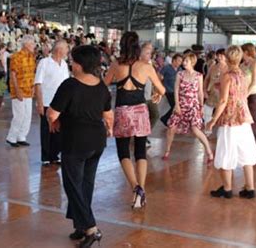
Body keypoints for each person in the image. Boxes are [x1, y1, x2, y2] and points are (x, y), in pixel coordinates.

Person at [47, 45, 114, 248]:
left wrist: (53, 122)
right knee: (86, 184)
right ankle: (80, 226)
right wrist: (109, 130)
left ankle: (91, 228)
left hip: (75, 142)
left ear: (80, 64)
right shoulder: (102, 87)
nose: (71, 64)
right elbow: (108, 115)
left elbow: (52, 113)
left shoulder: (70, 85)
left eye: (73, 60)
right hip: (97, 142)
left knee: (73, 185)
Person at [104, 32, 165, 209]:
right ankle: (142, 189)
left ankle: (135, 188)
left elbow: (104, 85)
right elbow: (161, 89)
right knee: (140, 152)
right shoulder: (146, 67)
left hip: (122, 112)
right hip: (140, 112)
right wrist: (156, 93)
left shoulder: (116, 65)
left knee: (123, 152)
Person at [206, 46, 256, 199]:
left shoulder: (227, 76)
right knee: (246, 152)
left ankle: (227, 188)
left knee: (226, 151)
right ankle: (250, 188)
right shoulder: (243, 74)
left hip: (230, 118)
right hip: (243, 117)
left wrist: (213, 119)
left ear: (227, 58)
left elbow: (223, 100)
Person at [162, 52, 214, 163]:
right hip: (181, 104)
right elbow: (176, 90)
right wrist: (177, 105)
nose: (183, 63)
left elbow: (200, 92)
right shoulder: (180, 74)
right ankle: (167, 151)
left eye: (186, 61)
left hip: (193, 105)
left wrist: (201, 106)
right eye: (183, 61)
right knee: (171, 128)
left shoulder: (199, 76)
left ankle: (209, 152)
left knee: (196, 130)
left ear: (192, 62)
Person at [35, 40, 70, 165]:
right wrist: (39, 103)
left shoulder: (64, 64)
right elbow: (38, 84)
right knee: (46, 130)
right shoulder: (44, 63)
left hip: (61, 103)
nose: (67, 50)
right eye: (66, 48)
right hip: (46, 102)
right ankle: (46, 157)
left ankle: (55, 155)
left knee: (59, 129)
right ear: (59, 50)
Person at [6, 35, 36, 147]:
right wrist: (17, 90)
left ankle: (21, 136)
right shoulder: (16, 56)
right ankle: (12, 137)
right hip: (19, 89)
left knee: (27, 115)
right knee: (19, 115)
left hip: (28, 89)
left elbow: (33, 73)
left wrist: (33, 87)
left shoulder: (31, 57)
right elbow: (13, 74)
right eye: (32, 44)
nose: (34, 46)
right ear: (26, 45)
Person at [241, 43, 256, 159]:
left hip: (253, 96)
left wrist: (245, 95)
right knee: (243, 122)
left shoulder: (255, 64)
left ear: (246, 52)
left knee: (252, 121)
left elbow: (254, 82)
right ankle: (248, 147)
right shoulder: (242, 65)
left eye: (241, 51)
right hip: (243, 96)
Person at [203, 49, 227, 129]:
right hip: (212, 92)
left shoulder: (228, 68)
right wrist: (204, 90)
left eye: (222, 55)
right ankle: (207, 127)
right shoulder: (213, 67)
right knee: (207, 110)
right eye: (218, 55)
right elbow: (206, 79)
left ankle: (221, 128)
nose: (219, 57)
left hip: (224, 93)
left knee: (223, 112)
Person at [159, 54, 183, 126]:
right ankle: (165, 119)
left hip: (177, 91)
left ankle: (166, 119)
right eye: (179, 61)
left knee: (176, 106)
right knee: (175, 106)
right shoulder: (166, 68)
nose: (180, 63)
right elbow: (159, 77)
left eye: (181, 61)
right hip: (169, 91)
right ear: (174, 60)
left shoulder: (180, 69)